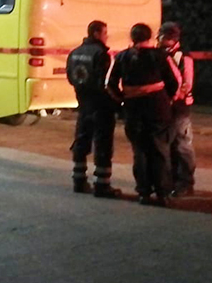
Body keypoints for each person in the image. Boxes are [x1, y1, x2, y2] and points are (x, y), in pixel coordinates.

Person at [107, 23, 178, 207]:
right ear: (150, 37)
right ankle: (162, 193)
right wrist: (168, 99)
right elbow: (174, 82)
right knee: (159, 150)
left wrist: (123, 99)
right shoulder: (161, 56)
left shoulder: (122, 56)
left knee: (139, 151)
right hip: (158, 108)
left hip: (133, 109)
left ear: (132, 38)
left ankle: (144, 192)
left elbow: (110, 83)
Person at [66, 20, 122, 198]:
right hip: (101, 105)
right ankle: (102, 184)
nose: (107, 36)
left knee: (81, 141)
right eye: (105, 33)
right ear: (97, 34)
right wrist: (118, 101)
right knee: (103, 144)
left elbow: (70, 77)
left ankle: (79, 180)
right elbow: (105, 82)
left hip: (83, 103)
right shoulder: (101, 54)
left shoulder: (75, 53)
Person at [158, 22, 197, 196]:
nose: (159, 40)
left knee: (181, 145)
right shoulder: (161, 54)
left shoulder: (183, 56)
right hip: (164, 105)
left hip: (180, 106)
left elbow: (187, 83)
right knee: (169, 145)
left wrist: (175, 96)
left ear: (172, 38)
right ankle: (173, 180)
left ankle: (186, 182)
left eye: (163, 37)